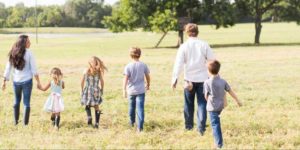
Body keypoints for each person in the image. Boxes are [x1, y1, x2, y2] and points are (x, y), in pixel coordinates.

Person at [172, 23, 215, 134]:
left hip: (189, 80)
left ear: (187, 33)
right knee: (202, 104)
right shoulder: (204, 44)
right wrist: (213, 76)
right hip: (203, 79)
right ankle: (201, 128)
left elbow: (179, 64)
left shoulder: (184, 46)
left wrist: (175, 78)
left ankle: (189, 126)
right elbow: (212, 61)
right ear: (197, 32)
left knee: (188, 104)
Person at [2, 35, 41, 125]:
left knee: (16, 101)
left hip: (16, 81)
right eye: (28, 42)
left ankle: (15, 122)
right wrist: (38, 82)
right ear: (23, 43)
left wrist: (4, 82)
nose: (30, 43)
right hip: (27, 81)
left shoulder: (13, 52)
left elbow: (8, 68)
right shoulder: (29, 53)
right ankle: (25, 124)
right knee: (26, 103)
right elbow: (34, 69)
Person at [204, 60, 242, 148]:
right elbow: (230, 91)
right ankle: (216, 142)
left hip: (212, 108)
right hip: (221, 106)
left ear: (209, 71)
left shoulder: (207, 82)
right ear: (218, 70)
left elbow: (206, 96)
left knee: (215, 125)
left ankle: (219, 144)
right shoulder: (223, 81)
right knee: (216, 123)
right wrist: (237, 100)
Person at [123, 47, 150, 132]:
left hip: (131, 91)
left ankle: (132, 123)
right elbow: (147, 76)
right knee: (140, 108)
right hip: (141, 90)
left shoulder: (128, 66)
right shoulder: (143, 65)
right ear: (140, 55)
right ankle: (140, 127)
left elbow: (125, 79)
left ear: (130, 55)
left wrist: (124, 89)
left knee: (131, 107)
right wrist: (148, 84)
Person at [81, 56, 106, 128]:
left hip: (88, 89)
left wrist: (82, 89)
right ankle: (97, 123)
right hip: (96, 90)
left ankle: (89, 118)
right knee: (96, 106)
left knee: (87, 104)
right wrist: (102, 89)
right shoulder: (98, 71)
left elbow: (82, 81)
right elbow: (102, 81)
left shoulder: (86, 70)